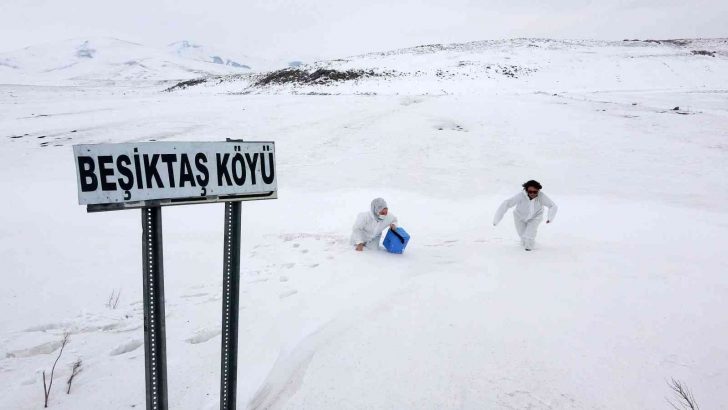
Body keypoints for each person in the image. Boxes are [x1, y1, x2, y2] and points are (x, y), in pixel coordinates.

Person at [493, 180, 558, 251]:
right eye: (530, 191)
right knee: (523, 236)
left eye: (535, 192)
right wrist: (496, 219)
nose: (532, 194)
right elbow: (506, 203)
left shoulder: (541, 196)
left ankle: (529, 250)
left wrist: (550, 218)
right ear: (526, 190)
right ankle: (525, 244)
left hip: (536, 217)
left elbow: (552, 206)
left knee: (530, 233)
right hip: (519, 217)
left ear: (538, 190)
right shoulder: (520, 196)